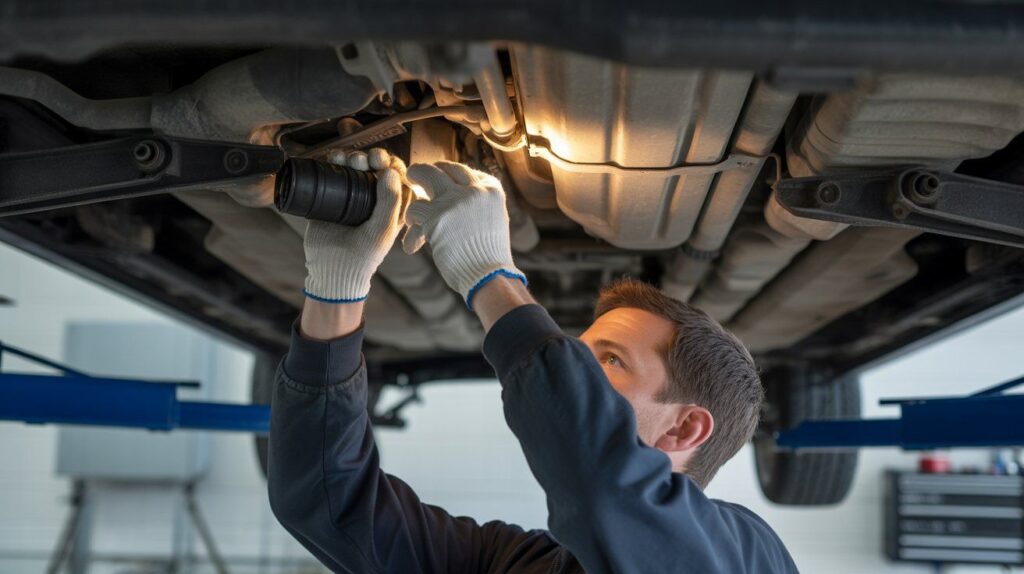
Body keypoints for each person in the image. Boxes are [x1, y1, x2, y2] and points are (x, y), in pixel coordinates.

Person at [267, 148, 798, 573]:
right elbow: (329, 506)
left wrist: (491, 275)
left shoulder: (746, 557)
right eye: (579, 353)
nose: (577, 372)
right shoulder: (525, 563)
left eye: (609, 361)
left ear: (684, 429)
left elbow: (603, 482)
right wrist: (335, 295)